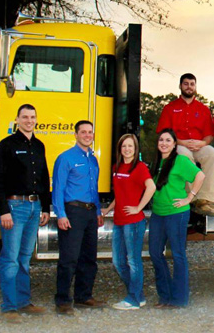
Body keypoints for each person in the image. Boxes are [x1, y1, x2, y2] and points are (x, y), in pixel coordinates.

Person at [125, 129, 205, 309]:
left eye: (168, 140)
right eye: (161, 140)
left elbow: (200, 175)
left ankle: (179, 299)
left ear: (175, 144)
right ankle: (165, 296)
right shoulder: (155, 163)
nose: (164, 143)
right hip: (158, 214)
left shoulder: (181, 160)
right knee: (154, 253)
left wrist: (189, 196)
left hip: (176, 213)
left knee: (178, 255)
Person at [0, 104, 50, 323]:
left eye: (32, 117)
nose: (29, 120)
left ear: (36, 120)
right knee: (10, 258)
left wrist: (45, 207)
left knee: (25, 258)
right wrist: (4, 211)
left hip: (35, 208)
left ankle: (24, 302)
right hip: (15, 208)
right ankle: (9, 307)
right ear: (17, 120)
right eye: (24, 117)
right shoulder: (6, 146)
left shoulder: (39, 146)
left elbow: (44, 179)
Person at [52, 120, 106, 315]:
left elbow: (95, 188)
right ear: (75, 135)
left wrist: (98, 211)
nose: (87, 135)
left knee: (89, 258)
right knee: (69, 258)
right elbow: (58, 188)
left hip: (91, 213)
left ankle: (84, 296)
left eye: (90, 132)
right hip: (73, 212)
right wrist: (61, 214)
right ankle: (63, 301)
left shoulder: (93, 159)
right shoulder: (65, 158)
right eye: (83, 132)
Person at [100, 134, 155, 310]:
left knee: (133, 261)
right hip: (119, 221)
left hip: (133, 222)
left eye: (130, 146)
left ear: (135, 148)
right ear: (120, 148)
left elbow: (151, 187)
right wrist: (108, 209)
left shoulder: (139, 168)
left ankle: (132, 299)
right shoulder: (116, 167)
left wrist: (138, 208)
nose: (127, 149)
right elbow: (120, 194)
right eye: (124, 146)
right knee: (118, 261)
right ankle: (138, 295)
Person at [155, 73, 214, 217]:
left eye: (192, 84)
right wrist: (180, 142)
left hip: (199, 145)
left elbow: (209, 134)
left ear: (195, 87)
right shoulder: (170, 108)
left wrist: (203, 143)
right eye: (186, 84)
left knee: (213, 155)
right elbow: (163, 133)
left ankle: (206, 199)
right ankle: (193, 198)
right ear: (180, 86)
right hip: (178, 144)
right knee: (184, 155)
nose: (189, 87)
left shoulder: (202, 108)